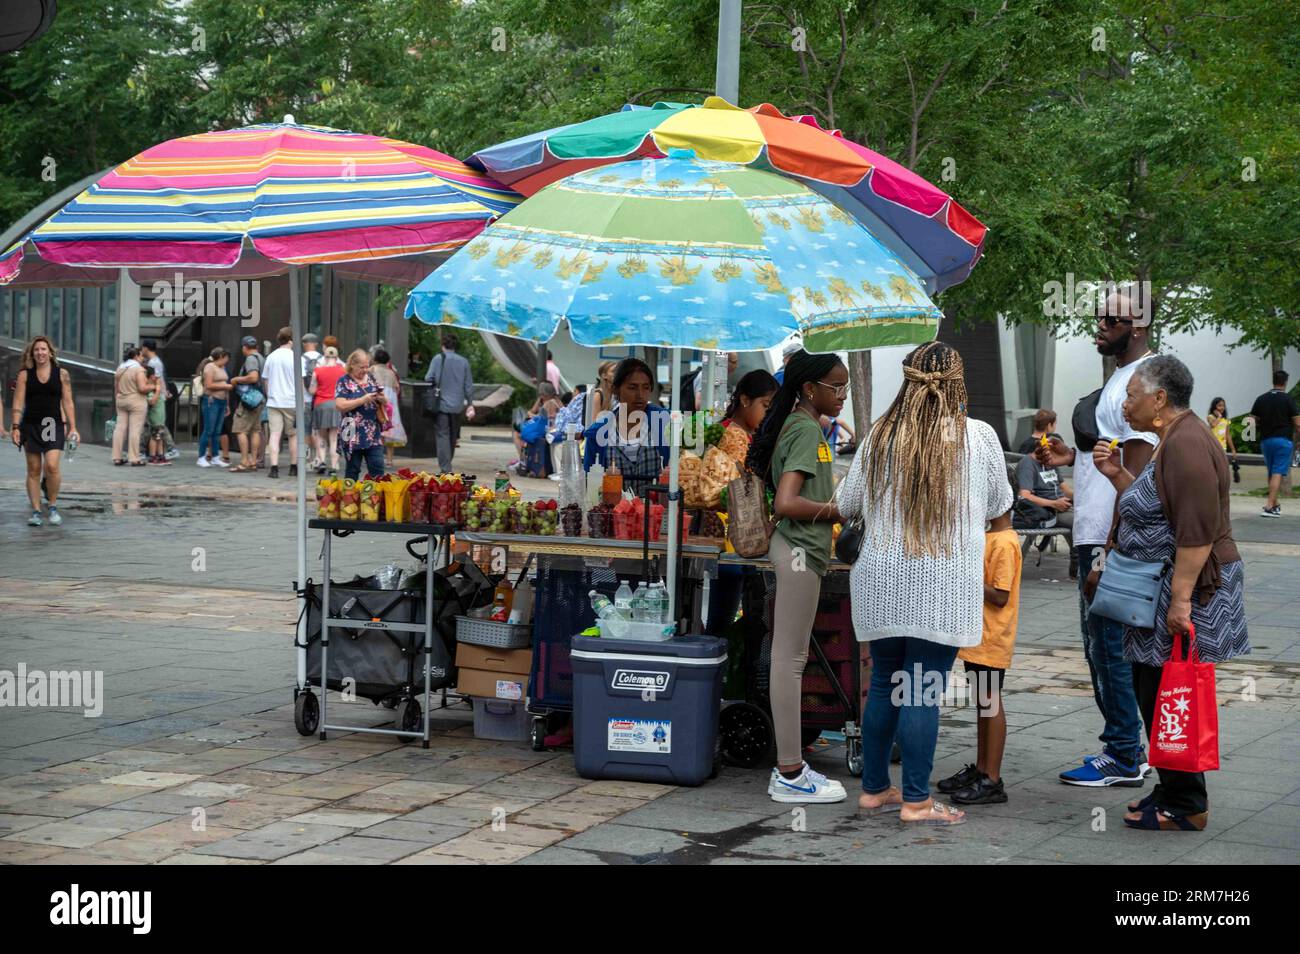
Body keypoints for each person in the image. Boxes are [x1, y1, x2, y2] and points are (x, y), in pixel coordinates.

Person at [837, 342, 1013, 825]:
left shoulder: (878, 436)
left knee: (886, 684)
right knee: (919, 690)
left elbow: (848, 503)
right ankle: (916, 801)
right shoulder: (978, 437)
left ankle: (875, 790)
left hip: (880, 581)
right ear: (958, 382)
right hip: (944, 585)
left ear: (907, 379)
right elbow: (1001, 505)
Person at [1093, 355, 1249, 831]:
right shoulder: (1170, 439)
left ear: (1160, 400)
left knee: (1166, 692)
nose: (1125, 402)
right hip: (1158, 590)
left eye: (1133, 394)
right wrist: (1118, 475)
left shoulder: (1186, 443)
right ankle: (1172, 784)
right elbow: (1156, 505)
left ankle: (1186, 803)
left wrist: (1180, 602)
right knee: (1151, 689)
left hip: (1182, 591)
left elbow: (1197, 532)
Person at [1037, 290, 1156, 787]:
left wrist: (1112, 549)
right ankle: (1128, 749)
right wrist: (1073, 458)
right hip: (1093, 533)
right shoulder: (1120, 381)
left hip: (1112, 538)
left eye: (1114, 319)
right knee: (1098, 645)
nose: (1101, 325)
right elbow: (1111, 459)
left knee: (1110, 647)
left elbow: (1141, 475)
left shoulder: (1147, 380)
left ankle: (1125, 754)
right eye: (1099, 317)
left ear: (1141, 323)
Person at [746, 350, 847, 804]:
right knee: (789, 661)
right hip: (800, 553)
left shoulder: (801, 425)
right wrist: (842, 509)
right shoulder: (805, 428)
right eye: (835, 387)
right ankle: (789, 772)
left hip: (797, 551)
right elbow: (787, 502)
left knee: (790, 658)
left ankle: (791, 767)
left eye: (845, 386)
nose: (842, 395)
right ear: (810, 389)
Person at [939, 506, 1023, 806]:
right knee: (983, 703)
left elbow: (1000, 595)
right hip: (979, 635)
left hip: (991, 636)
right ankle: (982, 769)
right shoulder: (991, 536)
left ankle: (993, 779)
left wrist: (964, 576)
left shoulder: (1004, 542)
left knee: (990, 701)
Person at [9, 336, 79, 526]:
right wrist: (15, 426)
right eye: (36, 350)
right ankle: (36, 511)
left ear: (50, 352)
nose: (40, 353)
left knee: (52, 466)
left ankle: (53, 505)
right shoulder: (25, 375)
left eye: (43, 349)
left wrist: (73, 427)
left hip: (52, 424)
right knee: (33, 469)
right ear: (32, 353)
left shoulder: (61, 374)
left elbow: (68, 401)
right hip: (31, 425)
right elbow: (17, 403)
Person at [582, 358, 671, 498]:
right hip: (614, 515)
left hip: (657, 515)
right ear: (615, 389)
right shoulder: (598, 433)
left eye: (646, 387)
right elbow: (588, 483)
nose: (640, 395)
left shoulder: (665, 424)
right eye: (632, 387)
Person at [1015, 432, 1076, 576]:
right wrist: (1054, 503)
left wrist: (1084, 498)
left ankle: (1088, 562)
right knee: (1078, 521)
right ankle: (1077, 565)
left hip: (1061, 506)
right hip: (1045, 512)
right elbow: (1024, 495)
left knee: (1090, 515)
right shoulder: (1028, 464)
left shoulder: (1050, 462)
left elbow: (1064, 489)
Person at [1248, 370, 1299, 517]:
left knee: (1271, 472)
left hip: (1266, 440)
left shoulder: (1261, 399)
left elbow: (1251, 421)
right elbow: (1298, 423)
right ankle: (1269, 506)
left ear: (1273, 381)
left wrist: (1252, 438)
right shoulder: (1288, 399)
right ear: (1285, 382)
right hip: (1283, 440)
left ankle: (1275, 504)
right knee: (1277, 473)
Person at [424, 331, 475, 472]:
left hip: (441, 404)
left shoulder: (437, 359)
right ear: (455, 346)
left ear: (442, 346)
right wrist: (470, 404)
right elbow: (468, 385)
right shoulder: (464, 362)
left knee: (442, 435)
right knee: (453, 436)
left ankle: (445, 468)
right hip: (457, 405)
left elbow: (428, 378)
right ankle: (448, 463)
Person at [335, 349, 387, 480]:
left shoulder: (371, 378)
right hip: (351, 429)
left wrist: (382, 399)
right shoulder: (344, 381)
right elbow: (340, 405)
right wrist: (363, 400)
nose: (365, 370)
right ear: (352, 365)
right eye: (361, 367)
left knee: (378, 466)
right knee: (353, 468)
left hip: (372, 429)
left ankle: (376, 497)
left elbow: (385, 400)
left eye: (367, 366)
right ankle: (350, 497)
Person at [261, 327, 301, 480]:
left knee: (275, 435)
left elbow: (266, 380)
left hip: (274, 401)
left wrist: (270, 395)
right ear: (292, 340)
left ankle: (274, 467)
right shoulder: (296, 357)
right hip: (292, 402)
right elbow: (300, 383)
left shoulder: (271, 357)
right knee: (293, 435)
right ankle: (293, 467)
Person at [228, 336, 266, 473]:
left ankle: (244, 462)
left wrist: (237, 379)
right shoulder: (261, 358)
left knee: (240, 429)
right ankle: (253, 461)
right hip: (260, 398)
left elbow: (253, 377)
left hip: (249, 398)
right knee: (255, 430)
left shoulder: (250, 359)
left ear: (244, 347)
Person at [138, 338, 178, 461]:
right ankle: (158, 451)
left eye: (142, 347)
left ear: (145, 348)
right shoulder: (155, 361)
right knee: (156, 425)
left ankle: (167, 449)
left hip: (154, 396)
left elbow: (158, 380)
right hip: (157, 395)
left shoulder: (153, 363)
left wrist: (160, 393)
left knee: (155, 425)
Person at [111, 345, 150, 467]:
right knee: (135, 430)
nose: (142, 358)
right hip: (136, 401)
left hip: (121, 400)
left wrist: (118, 398)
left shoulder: (120, 368)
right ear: (136, 356)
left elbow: (116, 388)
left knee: (120, 428)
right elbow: (142, 388)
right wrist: (154, 386)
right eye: (141, 356)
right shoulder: (138, 369)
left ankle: (117, 457)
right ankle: (134, 458)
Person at [309, 345, 345, 475]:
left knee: (321, 436)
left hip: (321, 404)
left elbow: (312, 390)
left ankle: (322, 461)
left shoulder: (317, 371)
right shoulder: (343, 371)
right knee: (334, 438)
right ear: (336, 357)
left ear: (325, 356)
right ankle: (334, 466)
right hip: (336, 405)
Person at [370, 347, 407, 469]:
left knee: (377, 428)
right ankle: (389, 460)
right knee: (389, 430)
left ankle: (377, 457)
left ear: (375, 359)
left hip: (378, 399)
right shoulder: (391, 372)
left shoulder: (373, 369)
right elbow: (397, 388)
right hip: (391, 402)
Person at [196, 348, 232, 467]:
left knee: (217, 431)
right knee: (209, 429)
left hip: (221, 401)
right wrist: (225, 387)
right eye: (226, 358)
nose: (227, 361)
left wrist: (227, 404)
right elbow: (208, 385)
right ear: (221, 356)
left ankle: (215, 456)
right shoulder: (210, 367)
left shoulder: (221, 368)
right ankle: (201, 456)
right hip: (211, 400)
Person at [301, 333, 323, 469]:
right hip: (320, 399)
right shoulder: (324, 359)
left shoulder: (300, 359)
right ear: (316, 344)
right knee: (319, 431)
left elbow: (299, 380)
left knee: (306, 431)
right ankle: (319, 459)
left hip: (306, 399)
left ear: (304, 344)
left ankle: (307, 459)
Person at [143, 367, 170, 465]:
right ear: (151, 377)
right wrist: (158, 390)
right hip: (155, 418)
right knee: (155, 437)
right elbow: (152, 401)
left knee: (160, 437)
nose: (157, 378)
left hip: (160, 418)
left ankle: (160, 455)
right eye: (155, 376)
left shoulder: (154, 388)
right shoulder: (151, 389)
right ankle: (152, 456)